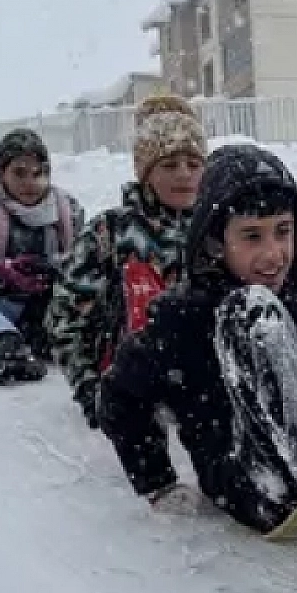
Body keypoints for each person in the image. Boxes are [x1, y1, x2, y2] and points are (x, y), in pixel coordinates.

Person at [98, 144, 297, 593]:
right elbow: (118, 395)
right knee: (253, 313)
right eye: (251, 236)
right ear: (215, 241)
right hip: (258, 486)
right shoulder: (184, 315)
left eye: (283, 232)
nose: (273, 253)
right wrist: (157, 481)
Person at [49, 95, 206, 428]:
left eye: (194, 164)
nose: (184, 175)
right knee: (143, 279)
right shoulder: (111, 232)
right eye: (169, 165)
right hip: (132, 376)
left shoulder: (219, 229)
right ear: (145, 173)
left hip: (207, 382)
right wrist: (90, 387)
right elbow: (68, 314)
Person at [0, 129, 85, 360]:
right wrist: (1, 271)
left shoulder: (68, 209)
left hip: (54, 302)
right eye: (19, 173)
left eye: (38, 173)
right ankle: (3, 338)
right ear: (2, 173)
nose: (30, 182)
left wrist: (54, 268)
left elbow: (85, 269)